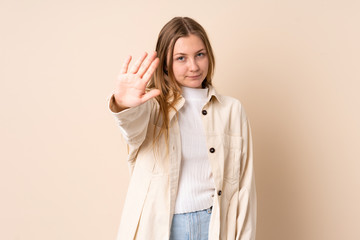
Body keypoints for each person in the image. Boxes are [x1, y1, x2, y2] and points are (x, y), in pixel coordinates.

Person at [109, 17, 256, 240]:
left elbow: (244, 186)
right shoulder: (150, 107)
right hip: (163, 228)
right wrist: (124, 105)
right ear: (166, 63)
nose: (194, 66)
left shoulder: (232, 110)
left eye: (200, 54)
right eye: (181, 58)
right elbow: (132, 129)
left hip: (215, 225)